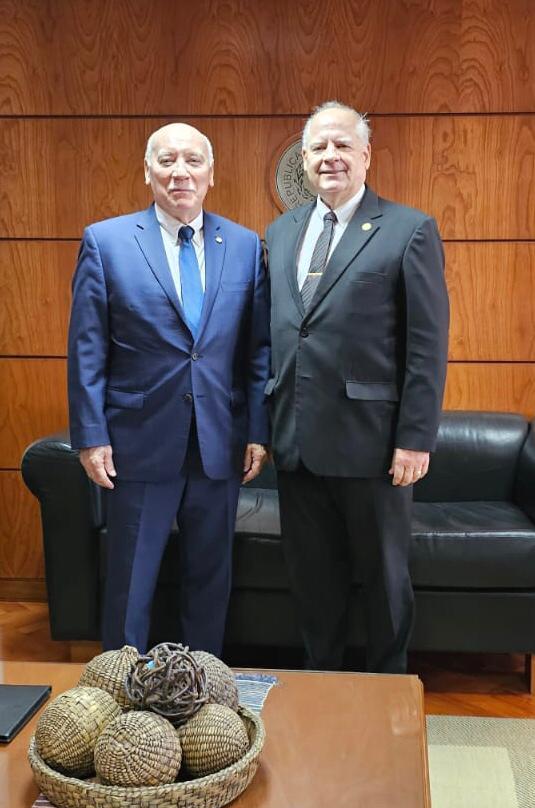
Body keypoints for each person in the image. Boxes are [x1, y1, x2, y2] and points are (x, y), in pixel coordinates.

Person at [68, 122, 270, 655]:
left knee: (210, 580)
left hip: (219, 442)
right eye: (166, 160)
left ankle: (203, 686)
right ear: (147, 172)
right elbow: (87, 348)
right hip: (137, 441)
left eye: (192, 161)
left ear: (211, 174)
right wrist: (90, 436)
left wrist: (257, 430)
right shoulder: (106, 242)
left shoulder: (245, 246)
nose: (180, 172)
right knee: (130, 582)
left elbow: (256, 351)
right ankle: (119, 687)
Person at [265, 101, 449, 673]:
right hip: (296, 443)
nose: (331, 156)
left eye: (343, 145)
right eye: (318, 147)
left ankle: (387, 692)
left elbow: (426, 344)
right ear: (304, 159)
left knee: (384, 585)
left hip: (372, 446)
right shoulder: (281, 230)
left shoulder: (408, 229)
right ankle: (322, 689)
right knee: (313, 584)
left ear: (366, 155)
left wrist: (415, 439)